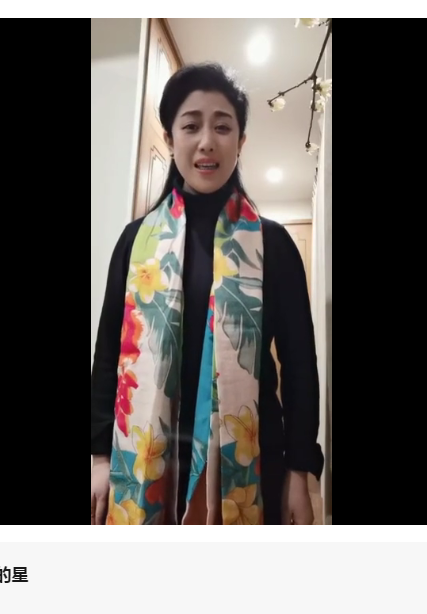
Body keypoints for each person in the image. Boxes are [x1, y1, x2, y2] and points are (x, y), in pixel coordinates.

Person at [91, 62, 323, 525]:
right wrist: (98, 456)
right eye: (191, 125)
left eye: (222, 126)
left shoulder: (274, 245)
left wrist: (300, 470)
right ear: (170, 137)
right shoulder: (135, 242)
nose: (206, 142)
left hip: (251, 463)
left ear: (241, 141)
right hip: (143, 461)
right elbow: (108, 354)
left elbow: (300, 366)